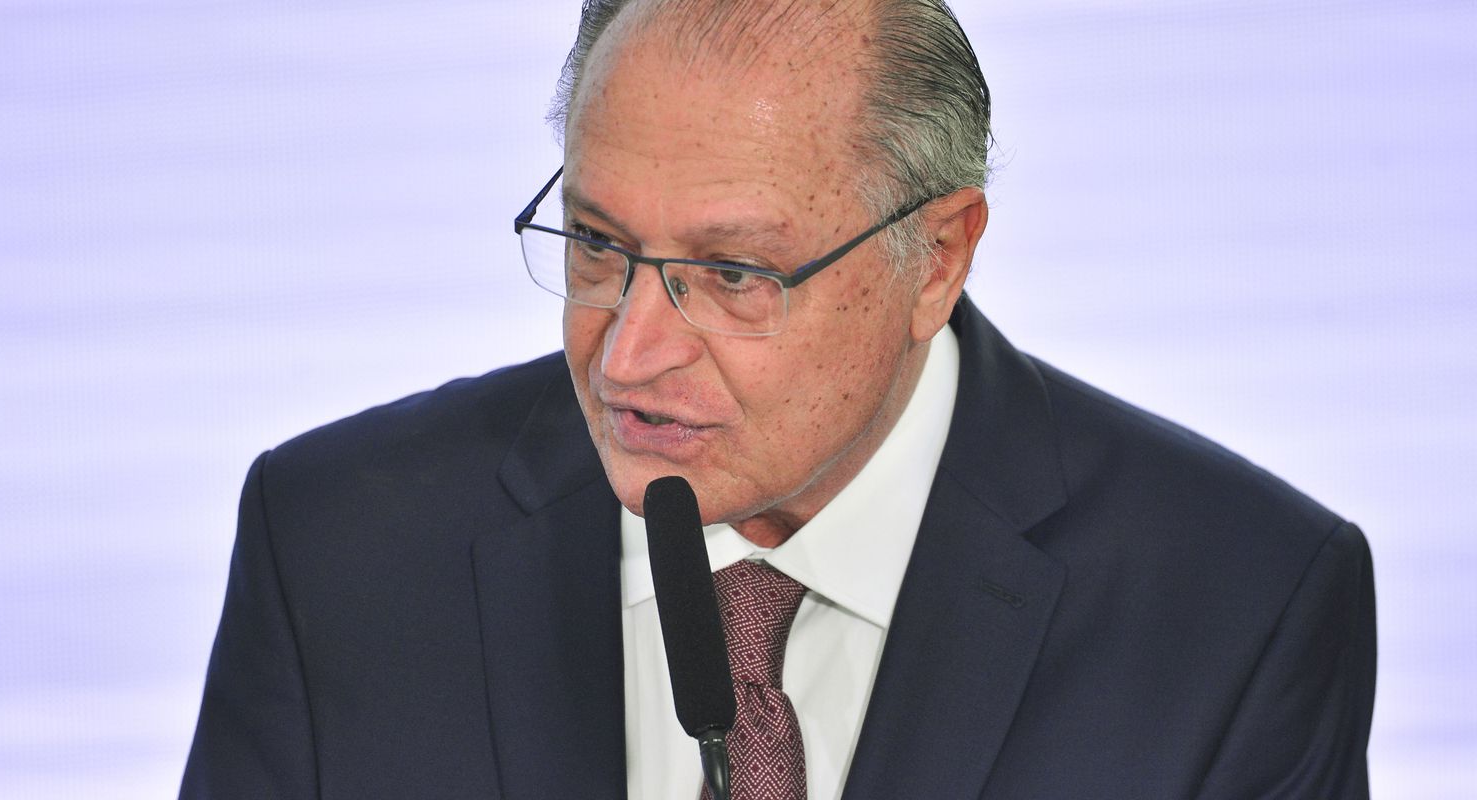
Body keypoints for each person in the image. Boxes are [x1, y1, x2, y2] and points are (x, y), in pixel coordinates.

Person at [180, 0, 1376, 797]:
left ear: (938, 258)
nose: (628, 355)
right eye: (596, 245)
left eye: (734, 274)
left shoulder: (1239, 603)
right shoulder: (338, 544)